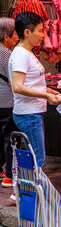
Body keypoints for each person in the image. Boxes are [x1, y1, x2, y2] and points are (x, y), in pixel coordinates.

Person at [8, 12, 61, 202]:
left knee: (30, 155)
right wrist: (45, 95)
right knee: (37, 156)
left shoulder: (25, 53)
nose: (42, 35)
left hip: (30, 112)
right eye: (40, 31)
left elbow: (29, 83)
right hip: (29, 114)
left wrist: (49, 91)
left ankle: (22, 192)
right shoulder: (21, 54)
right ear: (27, 32)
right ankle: (30, 194)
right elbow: (18, 86)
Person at [0, 17, 19, 188]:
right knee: (8, 138)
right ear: (6, 37)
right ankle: (8, 176)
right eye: (15, 34)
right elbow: (13, 81)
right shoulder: (7, 54)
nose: (17, 37)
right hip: (6, 101)